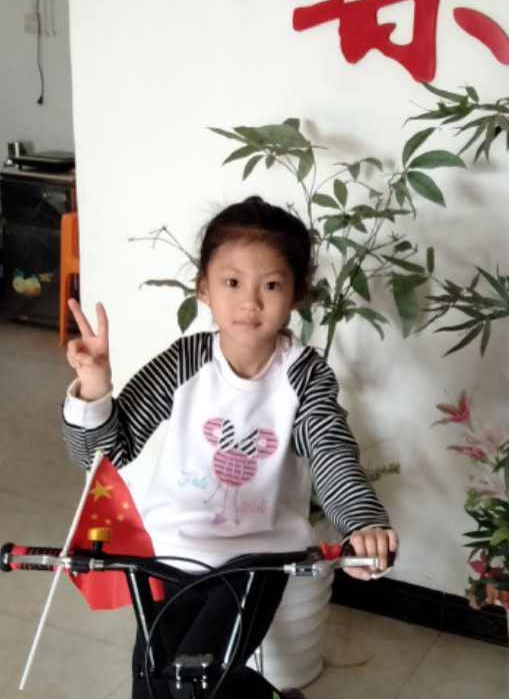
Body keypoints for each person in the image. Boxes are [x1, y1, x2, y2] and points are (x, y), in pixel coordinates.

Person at [61, 196, 398, 699]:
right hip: (167, 553)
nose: (250, 302)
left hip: (256, 560)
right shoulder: (185, 361)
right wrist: (94, 389)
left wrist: (363, 522)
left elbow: (331, 451)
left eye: (271, 285)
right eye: (233, 282)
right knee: (153, 686)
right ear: (204, 288)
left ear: (298, 293)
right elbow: (105, 452)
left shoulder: (304, 377)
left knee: (195, 682)